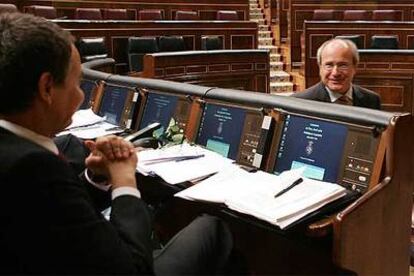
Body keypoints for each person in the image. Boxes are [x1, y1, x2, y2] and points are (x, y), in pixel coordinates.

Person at [0, 12, 232, 274]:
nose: (80, 96)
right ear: (46, 89)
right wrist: (124, 180)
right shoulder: (31, 166)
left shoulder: (19, 154)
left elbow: (62, 215)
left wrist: (95, 177)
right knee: (212, 228)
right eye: (78, 84)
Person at [292, 38, 381, 110]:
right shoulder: (300, 102)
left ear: (355, 67)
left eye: (342, 65)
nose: (335, 73)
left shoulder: (372, 100)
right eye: (329, 65)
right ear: (320, 68)